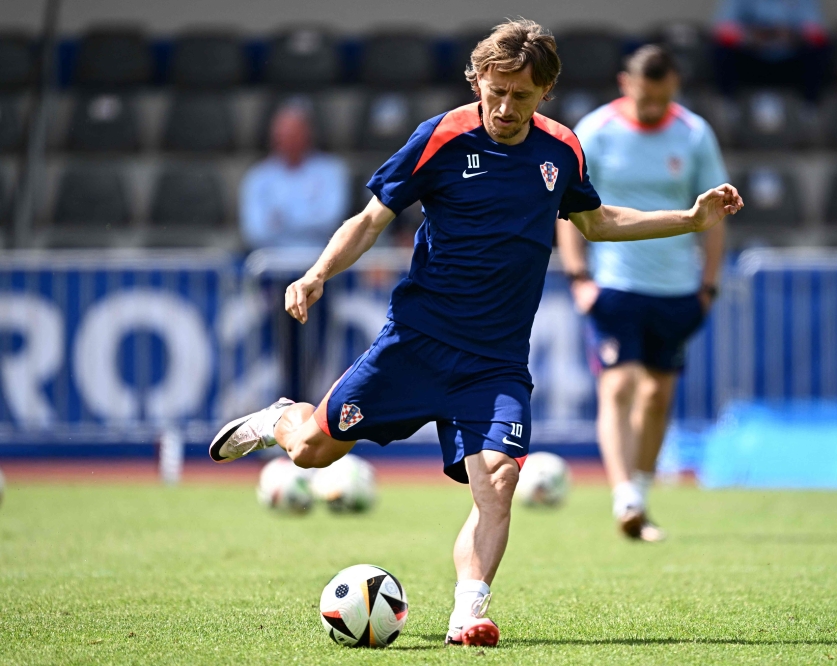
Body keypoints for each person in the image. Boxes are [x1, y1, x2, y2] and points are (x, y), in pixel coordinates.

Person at [210, 20, 742, 648]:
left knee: (500, 478)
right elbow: (372, 216)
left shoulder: (562, 149)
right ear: (478, 81)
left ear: (544, 92)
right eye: (495, 92)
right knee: (311, 453)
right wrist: (318, 272)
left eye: (522, 95)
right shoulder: (440, 135)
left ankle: (468, 612)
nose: (506, 108)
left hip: (494, 363)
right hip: (415, 345)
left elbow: (596, 223)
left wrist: (687, 218)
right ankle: (280, 419)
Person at [556, 45, 729, 542]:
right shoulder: (595, 131)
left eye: (663, 97)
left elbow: (713, 217)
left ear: (674, 88)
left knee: (657, 394)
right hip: (615, 283)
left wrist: (708, 285)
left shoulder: (694, 134)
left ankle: (642, 491)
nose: (653, 107)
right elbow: (570, 207)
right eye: (645, 96)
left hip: (676, 288)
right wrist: (579, 278)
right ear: (625, 83)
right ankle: (624, 498)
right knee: (619, 384)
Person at [239, 99, 350, 250]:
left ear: (308, 133)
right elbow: (255, 232)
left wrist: (282, 220)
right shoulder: (258, 176)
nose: (287, 138)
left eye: (294, 132)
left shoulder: (332, 170)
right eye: (282, 132)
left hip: (321, 258)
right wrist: (309, 218)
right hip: (270, 262)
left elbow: (331, 221)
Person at [712, 0, 828, 103]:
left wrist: (791, 35)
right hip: (751, 60)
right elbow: (723, 28)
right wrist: (751, 36)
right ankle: (727, 106)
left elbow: (816, 30)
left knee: (820, 49)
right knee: (720, 49)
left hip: (790, 61)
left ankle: (810, 107)